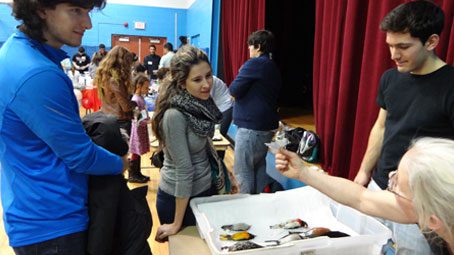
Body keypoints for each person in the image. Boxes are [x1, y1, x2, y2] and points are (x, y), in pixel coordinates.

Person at [0, 1, 125, 254]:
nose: (88, 24)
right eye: (76, 11)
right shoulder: (37, 73)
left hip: (34, 209)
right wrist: (121, 162)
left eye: (88, 12)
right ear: (41, 8)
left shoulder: (19, 53)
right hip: (53, 223)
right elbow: (80, 156)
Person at [352, 1, 454, 254]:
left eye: (403, 46)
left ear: (431, 42)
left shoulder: (451, 86)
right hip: (379, 186)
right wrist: (364, 173)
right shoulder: (390, 78)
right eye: (390, 45)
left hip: (419, 201)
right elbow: (381, 127)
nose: (393, 55)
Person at [275, 137, 454, 254]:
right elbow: (360, 197)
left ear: (432, 220)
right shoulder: (435, 210)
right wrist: (304, 173)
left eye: (396, 185)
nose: (390, 177)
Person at [151, 45, 222, 241]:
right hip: (179, 200)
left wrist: (222, 170)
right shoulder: (175, 115)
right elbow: (184, 169)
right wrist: (176, 223)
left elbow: (204, 143)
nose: (206, 84)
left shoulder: (201, 103)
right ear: (182, 83)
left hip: (202, 192)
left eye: (208, 76)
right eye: (197, 79)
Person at [229, 30, 282, 194]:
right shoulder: (271, 66)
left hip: (251, 127)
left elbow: (234, 89)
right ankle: (258, 205)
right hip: (265, 127)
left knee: (243, 171)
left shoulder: (254, 64)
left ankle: (244, 210)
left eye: (250, 46)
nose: (249, 50)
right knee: (258, 167)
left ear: (258, 46)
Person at [95, 45, 138, 179]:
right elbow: (125, 106)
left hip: (107, 118)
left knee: (112, 157)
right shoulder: (116, 79)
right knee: (121, 158)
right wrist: (135, 103)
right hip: (120, 121)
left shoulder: (104, 76)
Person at [128, 73, 151, 183]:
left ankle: (137, 173)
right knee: (135, 151)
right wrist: (148, 121)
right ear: (138, 86)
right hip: (137, 130)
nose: (148, 89)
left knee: (138, 151)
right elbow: (137, 119)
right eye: (146, 87)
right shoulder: (135, 100)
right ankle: (132, 174)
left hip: (142, 129)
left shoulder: (141, 98)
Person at [210, 76, 233, 159]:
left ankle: (219, 164)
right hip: (217, 109)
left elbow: (205, 100)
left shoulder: (209, 80)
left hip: (225, 109)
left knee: (218, 138)